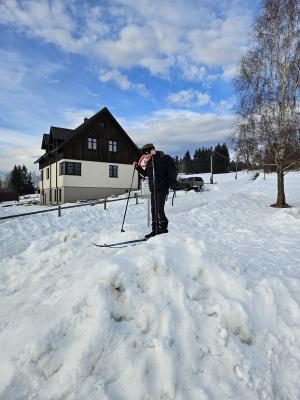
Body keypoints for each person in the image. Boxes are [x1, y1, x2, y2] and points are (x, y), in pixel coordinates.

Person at [133, 143, 171, 239]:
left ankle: (163, 229)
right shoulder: (150, 161)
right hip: (153, 189)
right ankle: (155, 230)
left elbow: (164, 170)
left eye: (145, 154)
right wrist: (137, 167)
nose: (144, 156)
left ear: (149, 152)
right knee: (153, 210)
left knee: (159, 209)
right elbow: (146, 174)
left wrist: (155, 156)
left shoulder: (160, 159)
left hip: (162, 188)